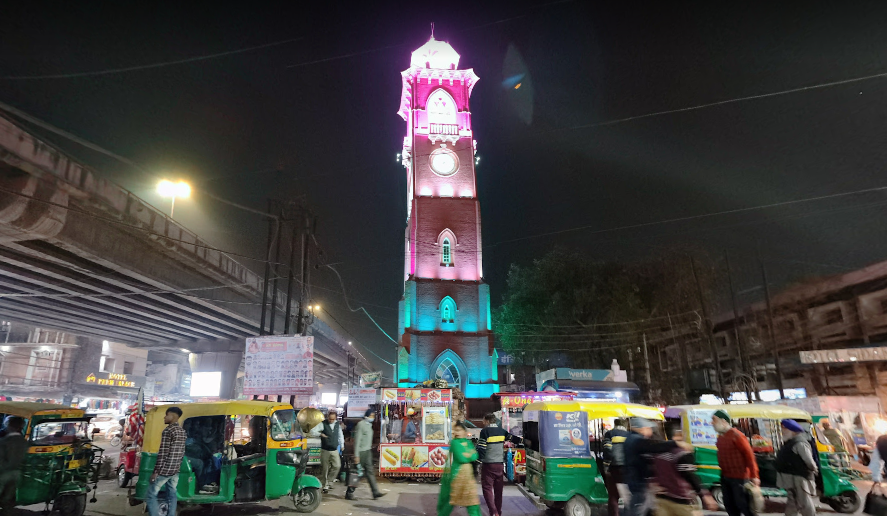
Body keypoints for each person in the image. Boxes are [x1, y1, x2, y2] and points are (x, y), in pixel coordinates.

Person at [624, 417, 684, 516]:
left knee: (643, 507)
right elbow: (655, 446)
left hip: (634, 479)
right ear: (642, 428)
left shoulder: (630, 438)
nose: (651, 431)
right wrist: (676, 443)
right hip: (638, 480)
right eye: (649, 428)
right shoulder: (637, 440)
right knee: (638, 509)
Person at [652, 429, 718, 516]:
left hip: (662, 500)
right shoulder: (682, 453)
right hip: (682, 501)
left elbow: (651, 471)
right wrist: (705, 495)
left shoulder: (658, 453)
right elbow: (690, 475)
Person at [712, 409, 759, 516]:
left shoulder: (737, 436)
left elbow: (749, 456)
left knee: (744, 506)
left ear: (723, 421)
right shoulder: (721, 437)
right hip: (726, 477)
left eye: (714, 420)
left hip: (740, 478)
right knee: (730, 506)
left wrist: (754, 476)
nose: (712, 423)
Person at [477, 413, 521, 516]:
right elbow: (514, 439)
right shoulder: (502, 431)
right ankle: (498, 512)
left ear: (487, 421)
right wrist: (525, 441)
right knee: (498, 490)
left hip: (488, 465)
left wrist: (478, 462)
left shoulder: (485, 431)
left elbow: (482, 448)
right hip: (499, 465)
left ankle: (493, 512)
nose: (483, 423)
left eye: (484, 421)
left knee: (487, 488)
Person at [147, 407, 186, 516]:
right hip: (175, 470)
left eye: (166, 415)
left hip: (165, 470)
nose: (164, 417)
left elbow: (163, 453)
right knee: (172, 495)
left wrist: (156, 471)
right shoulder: (182, 431)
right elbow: (182, 452)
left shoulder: (168, 431)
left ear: (173, 416)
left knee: (151, 494)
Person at [437, 421, 481, 516]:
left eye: (459, 430)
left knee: (472, 503)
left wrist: (468, 454)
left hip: (468, 478)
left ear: (464, 432)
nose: (457, 432)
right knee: (450, 502)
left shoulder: (468, 442)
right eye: (456, 430)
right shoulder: (455, 443)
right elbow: (462, 458)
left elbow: (475, 455)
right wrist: (469, 454)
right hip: (456, 477)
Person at [776, 419, 818, 516]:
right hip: (791, 477)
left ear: (793, 431)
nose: (782, 432)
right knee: (792, 501)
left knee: (804, 501)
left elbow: (809, 461)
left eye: (785, 430)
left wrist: (814, 469)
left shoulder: (800, 443)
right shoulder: (790, 442)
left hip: (800, 477)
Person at [346, 408, 385, 501]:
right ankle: (349, 492)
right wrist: (356, 455)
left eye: (373, 416)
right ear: (366, 415)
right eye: (371, 415)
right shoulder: (361, 425)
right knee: (357, 473)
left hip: (367, 451)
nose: (372, 417)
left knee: (370, 472)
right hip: (361, 452)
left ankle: (375, 492)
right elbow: (357, 440)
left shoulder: (369, 425)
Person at [309, 410, 344, 493]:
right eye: (330, 419)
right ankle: (325, 485)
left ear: (335, 418)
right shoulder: (323, 424)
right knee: (325, 468)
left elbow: (340, 436)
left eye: (333, 419)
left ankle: (329, 481)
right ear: (328, 417)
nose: (331, 421)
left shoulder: (337, 425)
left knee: (337, 466)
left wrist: (342, 445)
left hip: (334, 450)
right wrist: (320, 434)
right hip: (325, 450)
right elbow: (312, 431)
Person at [0, 417, 29, 515]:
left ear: (10, 426)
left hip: (3, 474)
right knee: (7, 499)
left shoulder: (3, 442)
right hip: (17, 473)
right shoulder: (24, 442)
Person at [603, 418, 631, 516]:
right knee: (627, 496)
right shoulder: (629, 435)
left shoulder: (609, 434)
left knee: (613, 496)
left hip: (614, 468)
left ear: (615, 424)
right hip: (627, 469)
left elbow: (607, 450)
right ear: (625, 425)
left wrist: (606, 466)